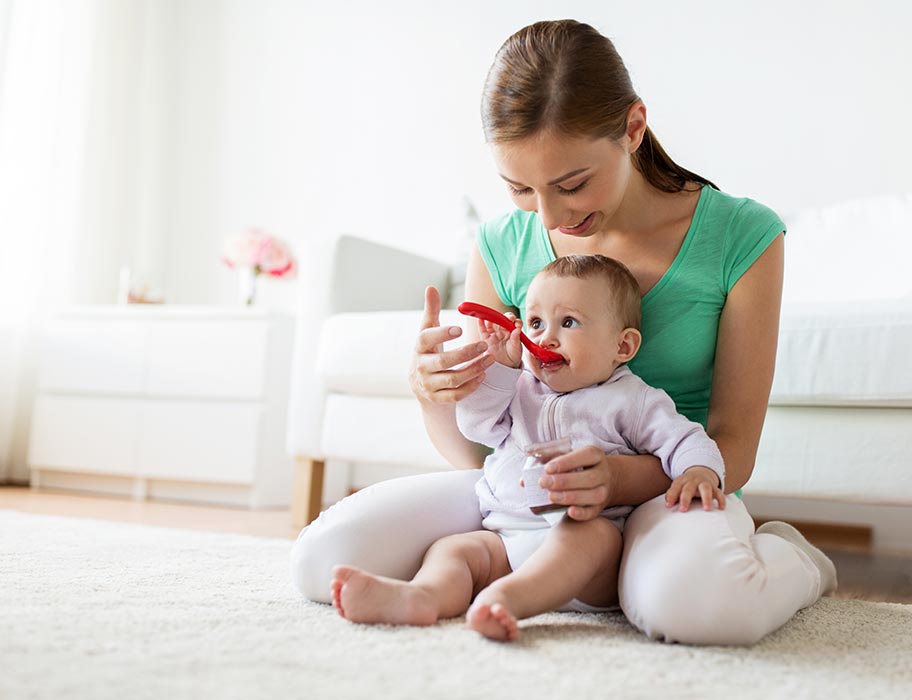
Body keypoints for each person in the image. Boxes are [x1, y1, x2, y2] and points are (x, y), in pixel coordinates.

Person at [291, 18, 837, 645]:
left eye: (572, 183)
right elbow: (477, 450)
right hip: (524, 486)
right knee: (317, 563)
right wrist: (434, 389)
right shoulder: (499, 242)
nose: (549, 216)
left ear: (633, 128)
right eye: (520, 188)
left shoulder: (742, 234)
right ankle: (503, 583)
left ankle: (795, 560)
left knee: (700, 610)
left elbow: (733, 447)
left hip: (667, 491)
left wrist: (615, 476)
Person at [330, 254, 726, 641]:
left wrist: (698, 471)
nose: (545, 337)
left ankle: (507, 600)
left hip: (590, 555)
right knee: (454, 550)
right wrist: (500, 369)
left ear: (622, 347)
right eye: (535, 323)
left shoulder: (633, 400)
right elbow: (477, 427)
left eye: (568, 322)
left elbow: (686, 439)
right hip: (506, 537)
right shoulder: (519, 388)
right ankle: (423, 596)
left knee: (592, 538)